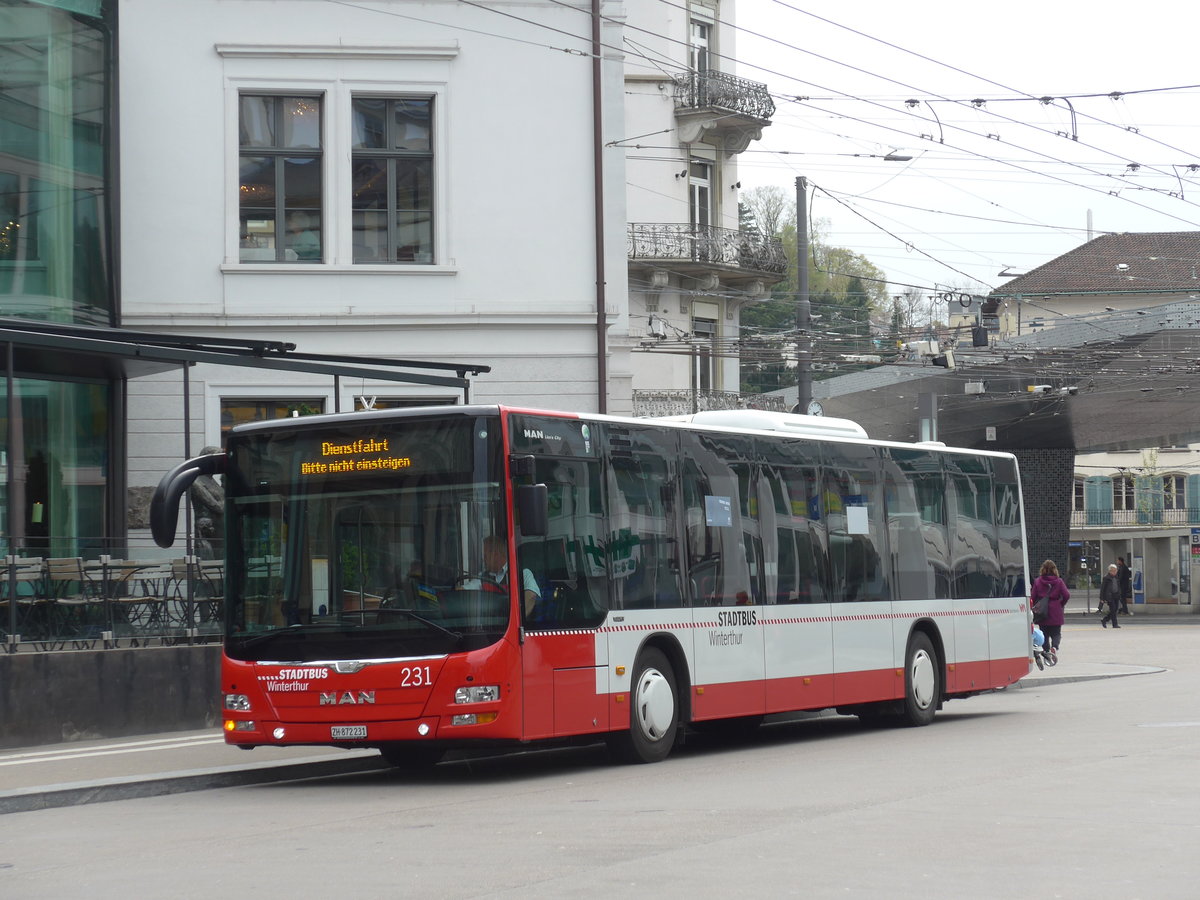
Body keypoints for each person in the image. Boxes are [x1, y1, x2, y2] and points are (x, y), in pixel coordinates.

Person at [479, 535, 541, 616]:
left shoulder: (523, 574)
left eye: (485, 556)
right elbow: (467, 588)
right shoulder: (481, 577)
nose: (483, 560)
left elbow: (531, 596)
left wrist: (513, 620)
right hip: (490, 625)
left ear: (495, 554)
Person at [1031, 559, 1070, 655]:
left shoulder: (1038, 581)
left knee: (1044, 633)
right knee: (1056, 633)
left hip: (1042, 610)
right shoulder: (1059, 581)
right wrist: (1061, 603)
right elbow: (1066, 595)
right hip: (1055, 608)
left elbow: (1033, 596)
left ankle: (1047, 652)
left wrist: (1035, 606)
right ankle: (1055, 647)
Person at [1099, 563, 1122, 628]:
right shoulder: (1106, 578)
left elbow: (1118, 586)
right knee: (1113, 609)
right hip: (1109, 596)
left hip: (1116, 595)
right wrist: (1102, 598)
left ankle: (1105, 620)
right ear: (1110, 571)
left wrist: (1119, 593)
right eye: (1113, 571)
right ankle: (1115, 624)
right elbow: (1103, 588)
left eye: (1116, 570)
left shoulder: (1116, 577)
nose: (1115, 572)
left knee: (1115, 610)